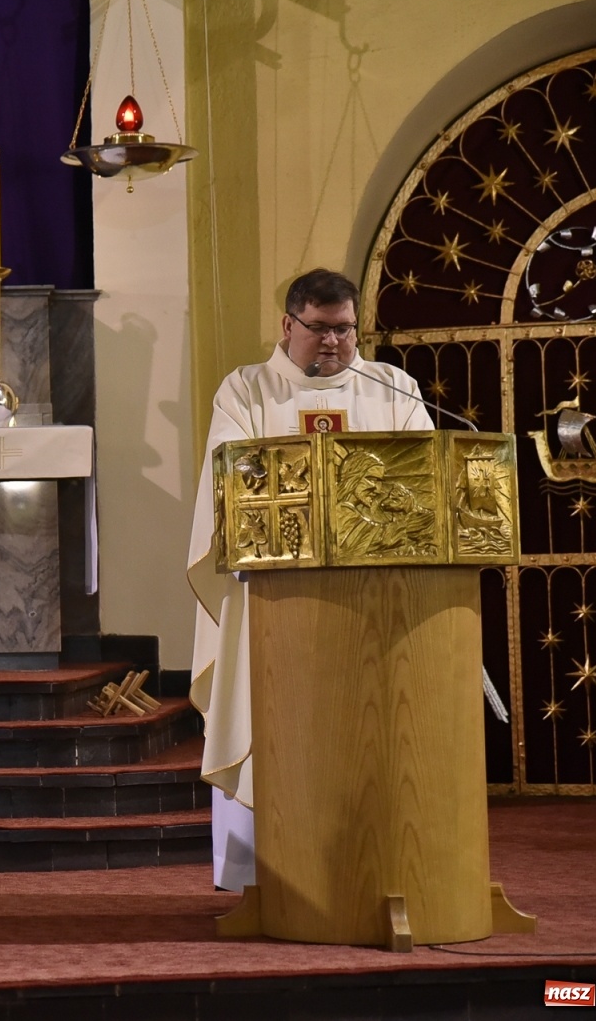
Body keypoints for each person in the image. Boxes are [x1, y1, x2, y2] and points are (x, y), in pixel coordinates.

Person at [185, 267, 433, 892]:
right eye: (320, 330)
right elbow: (229, 480)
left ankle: (378, 866)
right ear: (288, 325)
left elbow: (425, 482)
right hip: (274, 597)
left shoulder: (393, 387)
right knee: (266, 719)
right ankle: (255, 874)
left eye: (345, 330)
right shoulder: (246, 390)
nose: (334, 343)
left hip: (373, 599)